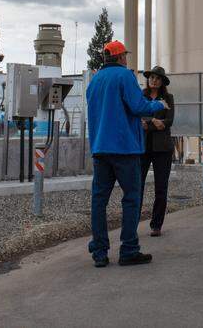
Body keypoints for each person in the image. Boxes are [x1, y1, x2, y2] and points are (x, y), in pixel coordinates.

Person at [85, 40, 168, 267]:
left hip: (100, 148)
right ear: (121, 57)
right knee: (131, 198)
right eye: (126, 56)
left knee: (99, 200)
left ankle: (100, 252)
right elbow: (138, 106)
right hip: (124, 148)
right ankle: (129, 249)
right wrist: (158, 105)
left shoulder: (95, 81)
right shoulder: (125, 76)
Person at [140, 65, 175, 237]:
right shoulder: (141, 96)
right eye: (151, 77)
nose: (154, 80)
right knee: (137, 186)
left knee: (161, 187)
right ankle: (132, 223)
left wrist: (149, 123)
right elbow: (137, 116)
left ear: (162, 82)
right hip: (143, 147)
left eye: (157, 78)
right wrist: (154, 120)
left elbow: (168, 121)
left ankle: (156, 224)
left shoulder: (168, 98)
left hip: (163, 149)